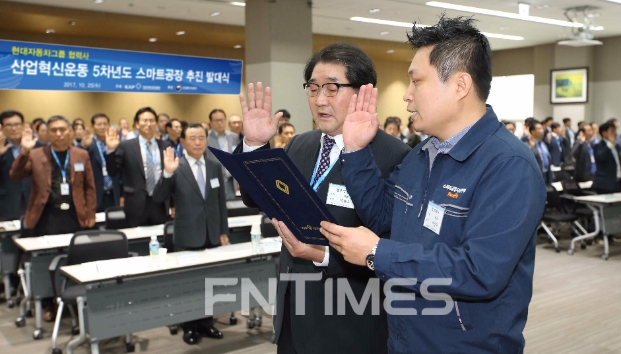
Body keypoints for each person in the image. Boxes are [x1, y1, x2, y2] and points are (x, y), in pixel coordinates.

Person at [316, 16, 545, 354]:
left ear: (460, 86)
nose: (406, 96)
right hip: (405, 339)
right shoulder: (421, 155)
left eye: (416, 82)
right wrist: (356, 151)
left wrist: (379, 253)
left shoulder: (509, 166)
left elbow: (480, 270)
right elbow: (382, 217)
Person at [236, 42, 410, 354]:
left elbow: (392, 245)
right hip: (294, 314)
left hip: (351, 319)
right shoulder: (301, 145)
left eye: (332, 89)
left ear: (362, 92)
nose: (319, 100)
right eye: (313, 88)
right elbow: (258, 198)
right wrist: (254, 145)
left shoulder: (394, 156)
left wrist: (322, 254)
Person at [153, 123, 228, 345]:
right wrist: (167, 172)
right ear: (183, 142)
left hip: (212, 235)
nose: (197, 142)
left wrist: (223, 231)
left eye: (201, 138)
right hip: (187, 236)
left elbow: (220, 202)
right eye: (192, 138)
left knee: (209, 282)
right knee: (189, 284)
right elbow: (158, 198)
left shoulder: (214, 165)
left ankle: (206, 323)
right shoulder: (177, 166)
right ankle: (190, 326)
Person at [10, 116, 96, 235]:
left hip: (75, 213)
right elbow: (15, 175)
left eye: (62, 129)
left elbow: (89, 187)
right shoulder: (36, 155)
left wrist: (91, 214)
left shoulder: (81, 155)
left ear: (70, 131)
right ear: (47, 133)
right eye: (53, 130)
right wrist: (24, 151)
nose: (58, 134)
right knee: (46, 251)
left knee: (74, 250)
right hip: (45, 214)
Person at [105, 107, 170, 227]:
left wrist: (173, 203)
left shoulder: (165, 146)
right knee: (137, 241)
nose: (148, 124)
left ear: (156, 123)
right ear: (137, 124)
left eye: (152, 120)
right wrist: (111, 150)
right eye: (144, 121)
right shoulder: (126, 146)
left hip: (160, 203)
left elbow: (170, 176)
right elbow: (113, 172)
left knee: (161, 238)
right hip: (136, 204)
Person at [0, 110, 45, 221]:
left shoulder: (38, 146)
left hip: (34, 202)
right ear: (2, 128)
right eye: (9, 125)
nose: (13, 128)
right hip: (6, 204)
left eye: (16, 124)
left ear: (23, 125)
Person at [80, 113, 121, 212]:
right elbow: (80, 164)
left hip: (114, 193)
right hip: (96, 193)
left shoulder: (117, 143)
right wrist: (85, 147)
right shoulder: (89, 144)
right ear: (92, 126)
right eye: (99, 124)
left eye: (105, 124)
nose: (102, 127)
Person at [207, 109, 240, 199]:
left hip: (231, 181)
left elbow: (237, 159)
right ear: (211, 122)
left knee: (230, 209)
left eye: (222, 120)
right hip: (213, 181)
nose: (220, 123)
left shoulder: (233, 136)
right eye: (216, 120)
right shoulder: (206, 138)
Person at [593, 121, 621, 194]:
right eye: (612, 131)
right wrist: (609, 145)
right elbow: (600, 158)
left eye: (615, 130)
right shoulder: (598, 146)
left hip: (617, 182)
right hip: (605, 184)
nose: (615, 133)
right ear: (604, 133)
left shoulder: (617, 146)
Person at [527, 119, 552, 184]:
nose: (542, 130)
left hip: (546, 175)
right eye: (539, 128)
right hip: (536, 177)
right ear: (532, 131)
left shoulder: (543, 144)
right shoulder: (527, 145)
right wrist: (531, 148)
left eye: (542, 128)